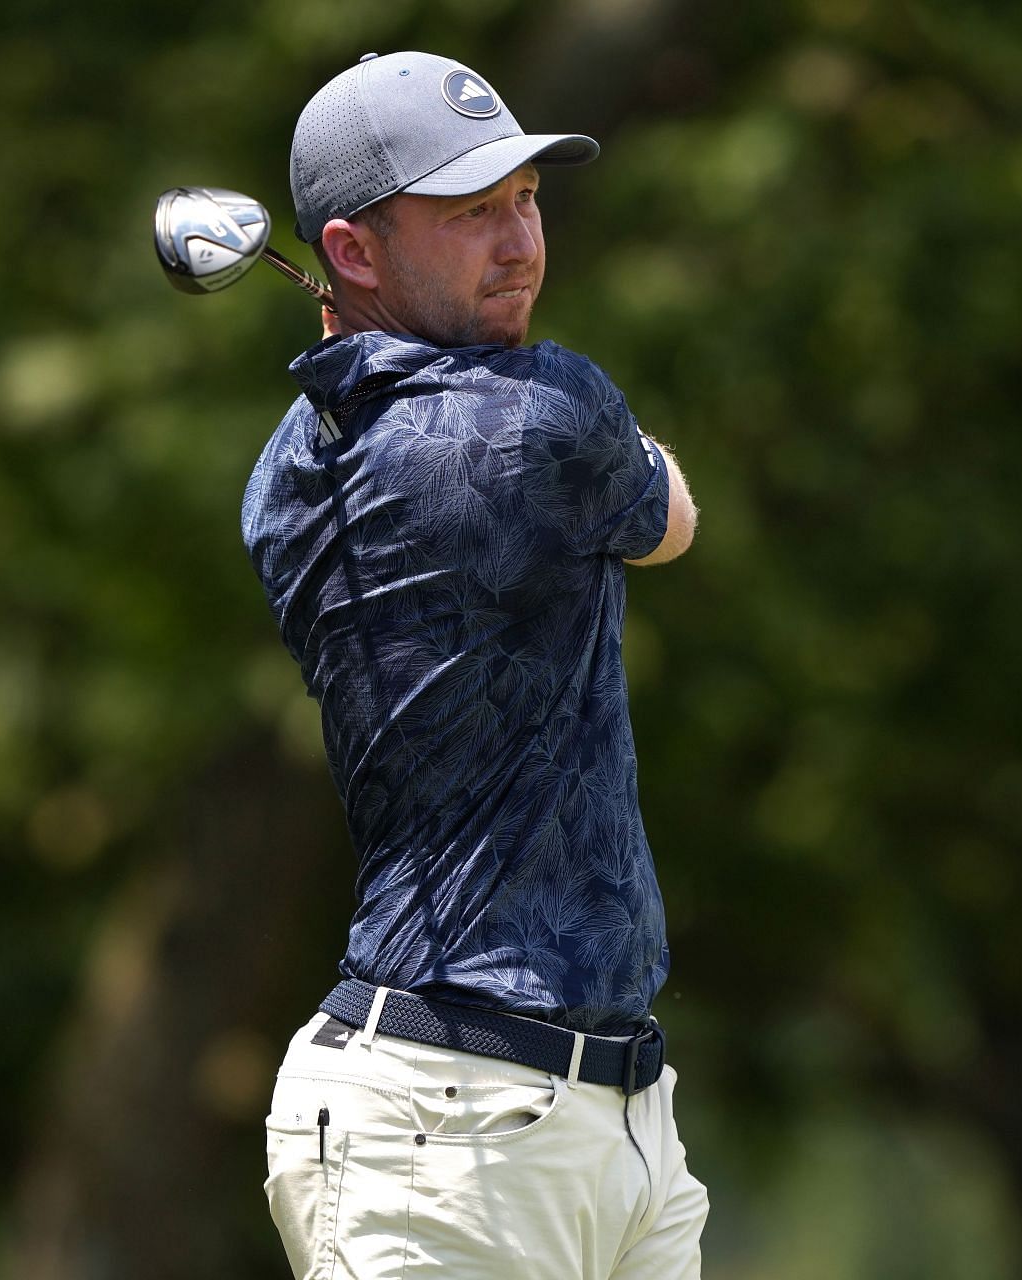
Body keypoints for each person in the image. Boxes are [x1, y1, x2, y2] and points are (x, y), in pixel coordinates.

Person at [240, 50, 706, 1279]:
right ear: (349, 250)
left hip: (608, 1125)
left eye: (526, 199)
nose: (520, 245)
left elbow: (357, 403)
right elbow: (672, 518)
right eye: (468, 213)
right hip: (449, 1132)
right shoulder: (538, 414)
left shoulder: (286, 470)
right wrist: (618, 436)